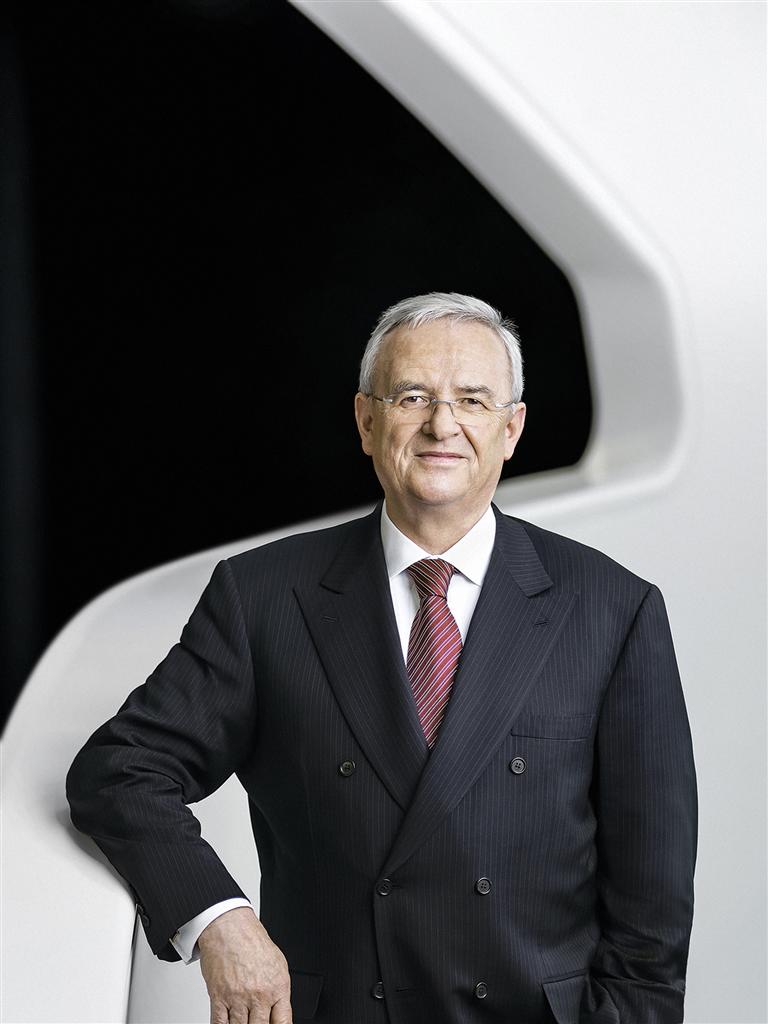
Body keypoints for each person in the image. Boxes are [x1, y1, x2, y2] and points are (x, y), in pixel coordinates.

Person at [66, 292, 697, 1024]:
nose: (442, 425)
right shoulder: (265, 596)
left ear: (512, 428)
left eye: (472, 400)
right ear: (367, 421)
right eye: (413, 397)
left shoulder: (612, 609)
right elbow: (121, 770)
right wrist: (219, 920)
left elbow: (652, 917)